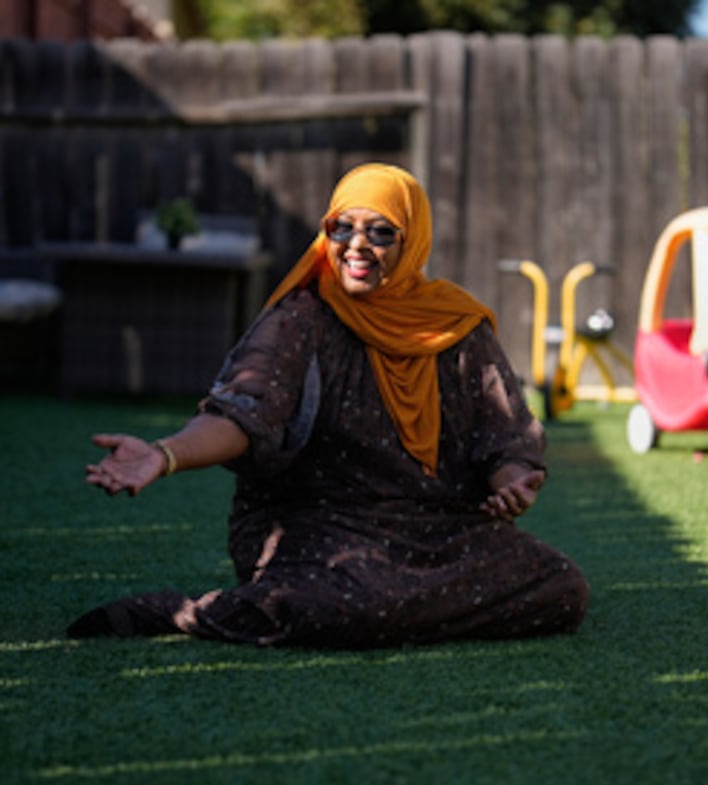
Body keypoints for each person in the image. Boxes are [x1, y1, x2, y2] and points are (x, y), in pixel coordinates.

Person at [67, 163, 588, 647]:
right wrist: (166, 454)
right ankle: (180, 612)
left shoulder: (457, 325)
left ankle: (392, 607)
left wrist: (511, 483)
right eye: (342, 228)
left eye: (380, 232)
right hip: (315, 529)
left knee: (560, 585)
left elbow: (506, 436)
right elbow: (242, 414)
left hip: (440, 529)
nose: (356, 246)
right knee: (340, 601)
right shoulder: (301, 319)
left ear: (413, 240)